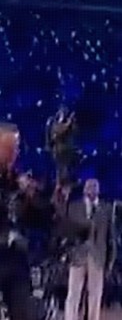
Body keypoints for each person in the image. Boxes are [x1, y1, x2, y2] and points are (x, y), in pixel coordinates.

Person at [0, 123, 57, 320]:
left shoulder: (19, 180)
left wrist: (33, 197)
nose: (14, 153)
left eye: (16, 148)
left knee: (25, 311)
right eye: (9, 147)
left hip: (15, 260)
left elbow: (42, 220)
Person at [64, 178, 117, 320]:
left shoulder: (106, 209)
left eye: (95, 186)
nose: (92, 189)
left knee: (95, 294)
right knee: (73, 293)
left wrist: (110, 260)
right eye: (89, 186)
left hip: (98, 257)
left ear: (99, 190)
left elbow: (111, 236)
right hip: (77, 256)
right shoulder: (74, 207)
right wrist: (67, 252)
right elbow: (68, 231)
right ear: (84, 189)